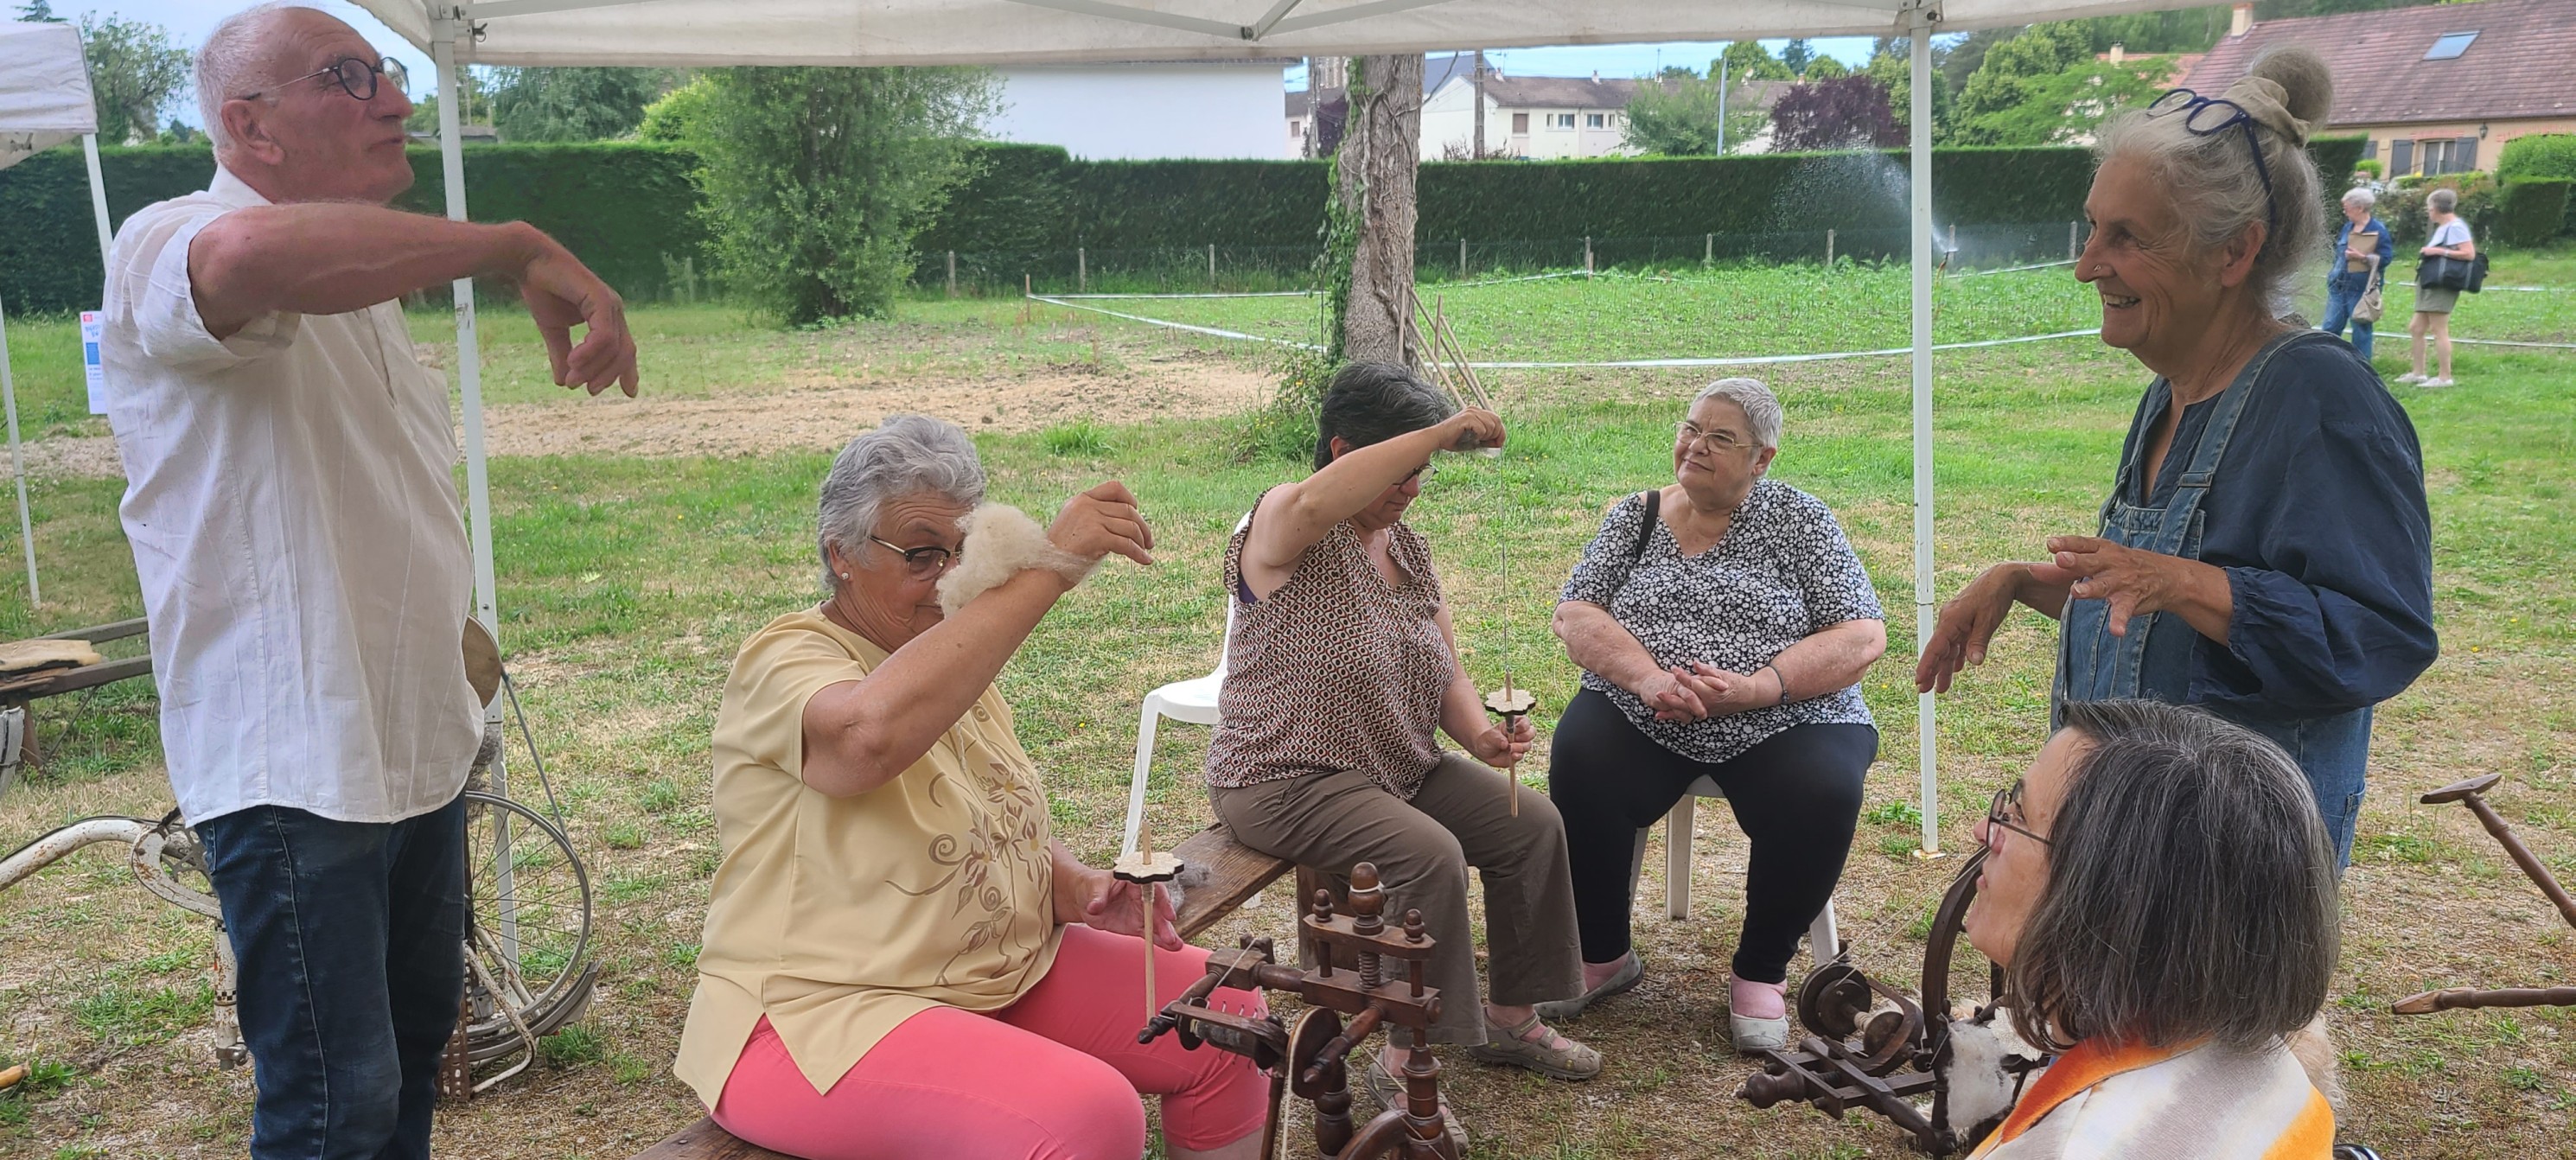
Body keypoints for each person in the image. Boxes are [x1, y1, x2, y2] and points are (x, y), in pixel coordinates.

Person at [98, 7, 639, 1157]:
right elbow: (245, 262)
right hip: (296, 769)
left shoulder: (365, 287)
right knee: (332, 1107)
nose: (394, 99)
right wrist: (510, 242)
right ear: (252, 124)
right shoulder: (167, 235)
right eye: (350, 78)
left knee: (401, 1078)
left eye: (388, 72)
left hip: (411, 752)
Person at [674, 417, 1269, 1160]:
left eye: (962, 553)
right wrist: (1049, 565)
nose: (951, 579)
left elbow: (980, 812)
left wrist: (1078, 887)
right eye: (922, 555)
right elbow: (863, 741)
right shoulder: (787, 656)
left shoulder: (944, 658)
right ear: (843, 556)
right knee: (1086, 1116)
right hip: (812, 1014)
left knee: (1227, 1016)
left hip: (988, 976)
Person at [1912, 47, 2437, 869]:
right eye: (2094, 227)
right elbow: (2159, 617)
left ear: (2234, 253)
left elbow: (2382, 634)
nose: (2087, 265)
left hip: (2230, 873)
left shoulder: (2320, 401)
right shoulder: (2173, 388)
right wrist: (2023, 579)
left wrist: (2181, 579)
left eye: (2127, 238)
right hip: (2133, 848)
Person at [1205, 361, 1591, 1144]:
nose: (1415, 484)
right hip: (1287, 775)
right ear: (1345, 450)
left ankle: (1512, 1016)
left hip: (1393, 762)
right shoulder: (1280, 527)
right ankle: (1406, 1052)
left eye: (1424, 470)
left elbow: (1442, 663)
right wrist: (1447, 430)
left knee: (1533, 826)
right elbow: (1314, 500)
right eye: (1403, 467)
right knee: (1428, 853)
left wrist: (1481, 732)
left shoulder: (1407, 550)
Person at [1541, 378, 1887, 1052]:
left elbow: (1862, 635)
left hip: (1785, 717)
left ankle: (1760, 970)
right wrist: (1647, 680)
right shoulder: (1636, 517)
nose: (1695, 445)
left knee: (1824, 786)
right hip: (1651, 711)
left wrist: (1761, 686)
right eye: (1691, 428)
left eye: (1720, 438)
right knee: (1583, 754)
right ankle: (1603, 952)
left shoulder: (1800, 521)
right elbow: (1576, 612)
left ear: (1762, 459)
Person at [1961, 699, 2340, 1157]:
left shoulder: (2070, 1147)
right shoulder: (2280, 1081)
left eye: (2019, 816)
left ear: (2113, 898)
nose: (1985, 830)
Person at [2397, 186, 2477, 388]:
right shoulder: (2443, 227)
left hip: (2442, 284)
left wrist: (2438, 251)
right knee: (2416, 328)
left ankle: (2444, 377)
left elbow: (2469, 254)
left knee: (2438, 329)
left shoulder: (2456, 227)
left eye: (2429, 206)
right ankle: (2418, 373)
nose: (2428, 210)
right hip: (2429, 283)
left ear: (2437, 207)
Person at [2318, 188, 2392, 362]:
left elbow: (2387, 258)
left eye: (2347, 208)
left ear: (2359, 208)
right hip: (2338, 285)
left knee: (2361, 329)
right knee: (2330, 326)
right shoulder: (2347, 227)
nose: (2345, 212)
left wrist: (2363, 258)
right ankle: (2326, 361)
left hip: (2361, 289)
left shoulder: (2378, 230)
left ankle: (2361, 366)